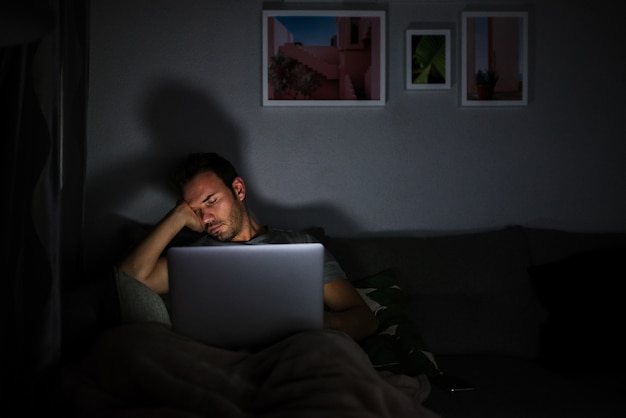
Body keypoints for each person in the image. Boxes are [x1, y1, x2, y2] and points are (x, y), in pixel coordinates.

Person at [117, 152, 379, 342]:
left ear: (239, 190)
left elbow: (365, 321)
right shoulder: (193, 258)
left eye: (211, 201)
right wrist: (177, 216)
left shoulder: (301, 245)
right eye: (195, 211)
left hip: (296, 352)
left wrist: (318, 323)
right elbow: (128, 280)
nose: (206, 218)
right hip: (222, 362)